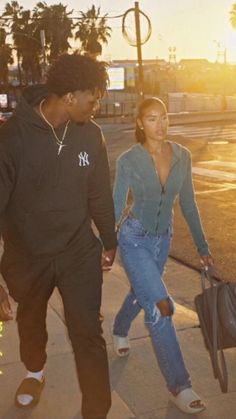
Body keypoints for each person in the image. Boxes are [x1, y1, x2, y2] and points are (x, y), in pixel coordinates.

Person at [0, 53, 117, 419]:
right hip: (28, 254)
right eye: (93, 98)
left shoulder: (91, 135)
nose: (96, 106)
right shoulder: (12, 138)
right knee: (30, 320)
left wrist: (109, 240)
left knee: (88, 334)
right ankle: (34, 372)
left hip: (77, 252)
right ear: (70, 96)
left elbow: (99, 193)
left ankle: (96, 411)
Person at [112, 97, 214, 415]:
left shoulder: (182, 156)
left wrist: (202, 246)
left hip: (162, 240)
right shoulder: (129, 159)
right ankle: (179, 385)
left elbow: (189, 205)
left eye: (164, 117)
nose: (161, 124)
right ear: (141, 123)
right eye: (153, 119)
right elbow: (117, 202)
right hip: (134, 238)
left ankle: (118, 327)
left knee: (142, 291)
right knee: (160, 307)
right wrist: (106, 244)